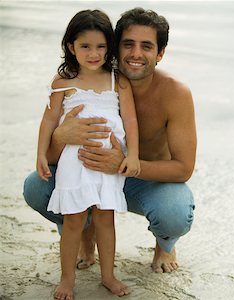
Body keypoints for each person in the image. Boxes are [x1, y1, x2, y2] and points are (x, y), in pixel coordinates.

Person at [24, 6, 196, 280]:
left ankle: (165, 246)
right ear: (116, 47)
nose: (136, 54)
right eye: (128, 44)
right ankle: (84, 233)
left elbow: (183, 169)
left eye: (147, 46)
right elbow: (54, 143)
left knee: (174, 213)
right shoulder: (85, 79)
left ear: (160, 53)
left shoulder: (174, 93)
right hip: (88, 167)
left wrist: (127, 164)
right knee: (36, 187)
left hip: (143, 178)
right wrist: (59, 136)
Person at [36, 9, 139, 299]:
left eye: (101, 46)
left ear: (110, 46)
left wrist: (134, 156)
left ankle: (108, 276)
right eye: (85, 46)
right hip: (74, 161)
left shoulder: (117, 80)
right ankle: (67, 280)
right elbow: (48, 120)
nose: (93, 54)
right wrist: (41, 154)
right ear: (71, 46)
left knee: (106, 218)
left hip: (108, 162)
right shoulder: (62, 81)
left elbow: (130, 121)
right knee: (73, 220)